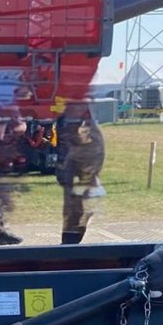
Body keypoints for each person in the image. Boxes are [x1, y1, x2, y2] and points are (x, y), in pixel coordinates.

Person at [55, 105, 106, 245]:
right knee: (77, 205)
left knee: (79, 204)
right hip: (75, 153)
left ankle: (69, 243)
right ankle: (69, 244)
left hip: (81, 151)